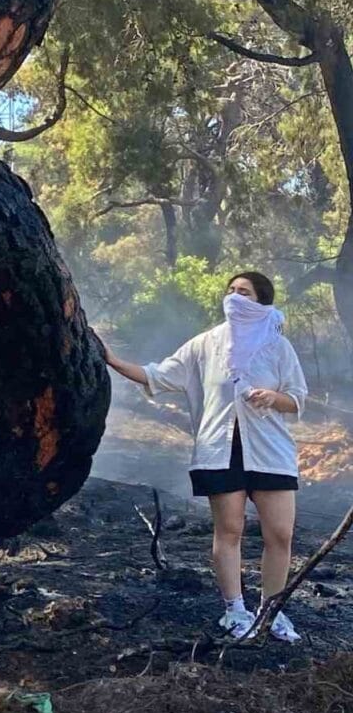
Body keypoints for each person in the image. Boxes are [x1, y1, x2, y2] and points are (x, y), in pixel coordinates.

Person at [104, 271, 308, 642]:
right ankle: (235, 610)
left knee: (280, 533)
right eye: (230, 291)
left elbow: (297, 398)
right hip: (219, 450)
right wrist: (114, 361)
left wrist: (272, 398)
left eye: (243, 292)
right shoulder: (206, 344)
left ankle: (271, 611)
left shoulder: (279, 347)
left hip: (270, 452)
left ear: (261, 303)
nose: (234, 297)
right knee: (229, 530)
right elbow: (160, 375)